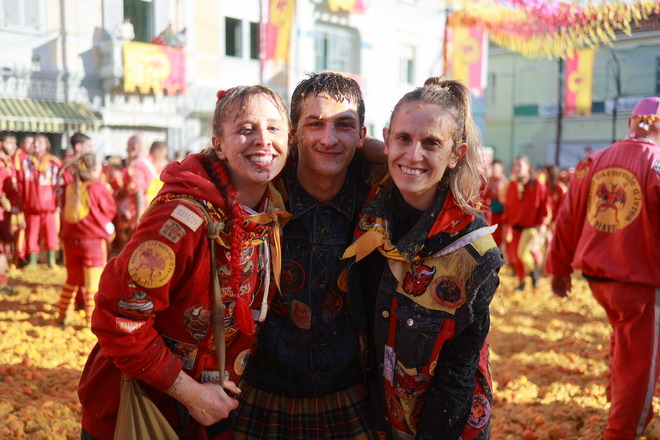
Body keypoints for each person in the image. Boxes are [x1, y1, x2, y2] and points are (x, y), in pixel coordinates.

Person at [77, 85, 291, 439]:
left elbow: (333, 151)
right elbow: (119, 318)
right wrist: (189, 393)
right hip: (142, 414)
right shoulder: (180, 220)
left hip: (209, 414)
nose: (263, 140)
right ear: (218, 143)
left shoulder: (269, 206)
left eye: (274, 128)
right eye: (246, 129)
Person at [342, 77, 504, 440]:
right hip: (374, 415)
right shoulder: (372, 205)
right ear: (386, 140)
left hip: (440, 426)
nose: (413, 155)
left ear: (455, 155)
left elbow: (457, 376)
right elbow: (323, 148)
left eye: (431, 143)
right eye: (403, 139)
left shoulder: (473, 254)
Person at [234, 72, 378, 439]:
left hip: (350, 396)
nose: (329, 139)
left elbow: (438, 163)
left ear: (361, 135)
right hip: (258, 393)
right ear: (294, 134)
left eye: (344, 125)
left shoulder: (381, 197)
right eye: (315, 124)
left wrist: (388, 150)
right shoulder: (257, 187)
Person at [546, 96, 660, 440]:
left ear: (631, 123)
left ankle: (617, 401)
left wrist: (559, 269)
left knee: (623, 342)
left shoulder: (592, 161)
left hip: (599, 278)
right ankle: (621, 429)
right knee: (639, 361)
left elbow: (567, 218)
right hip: (640, 281)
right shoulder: (656, 164)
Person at [57, 153, 116, 326]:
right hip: (92, 242)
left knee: (71, 280)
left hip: (70, 240)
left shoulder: (70, 186)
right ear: (96, 168)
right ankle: (91, 320)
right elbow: (110, 210)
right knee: (93, 283)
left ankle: (63, 315)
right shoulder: (97, 187)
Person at [503, 155, 549, 290]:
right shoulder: (512, 184)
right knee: (517, 256)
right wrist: (507, 225)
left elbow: (545, 204)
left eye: (519, 165)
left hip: (532, 226)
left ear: (528, 167)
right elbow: (509, 206)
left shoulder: (538, 185)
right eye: (514, 165)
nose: (516, 168)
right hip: (516, 225)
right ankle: (522, 282)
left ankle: (535, 272)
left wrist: (543, 224)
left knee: (523, 253)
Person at [19, 134, 61, 268]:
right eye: (35, 142)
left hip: (50, 208)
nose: (36, 144)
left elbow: (60, 186)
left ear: (47, 145)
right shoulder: (26, 162)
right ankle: (32, 262)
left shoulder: (54, 162)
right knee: (31, 235)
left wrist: (59, 203)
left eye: (40, 142)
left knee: (51, 235)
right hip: (31, 207)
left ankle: (51, 261)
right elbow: (20, 184)